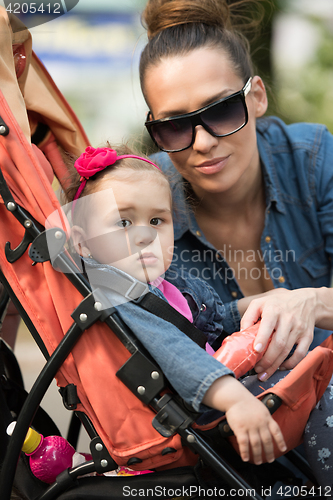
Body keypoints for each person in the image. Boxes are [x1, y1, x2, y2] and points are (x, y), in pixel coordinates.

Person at [63, 144, 333, 486]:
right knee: (325, 397)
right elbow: (176, 353)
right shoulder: (119, 300)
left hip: (223, 389)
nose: (145, 235)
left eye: (157, 220)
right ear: (84, 244)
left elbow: (212, 319)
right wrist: (235, 401)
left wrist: (266, 301)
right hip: (205, 406)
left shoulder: (162, 284)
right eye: (124, 222)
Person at [138, 0, 333, 384]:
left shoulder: (313, 159)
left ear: (257, 96)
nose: (203, 142)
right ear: (155, 131)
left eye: (222, 110)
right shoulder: (140, 206)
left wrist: (311, 301)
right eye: (175, 126)